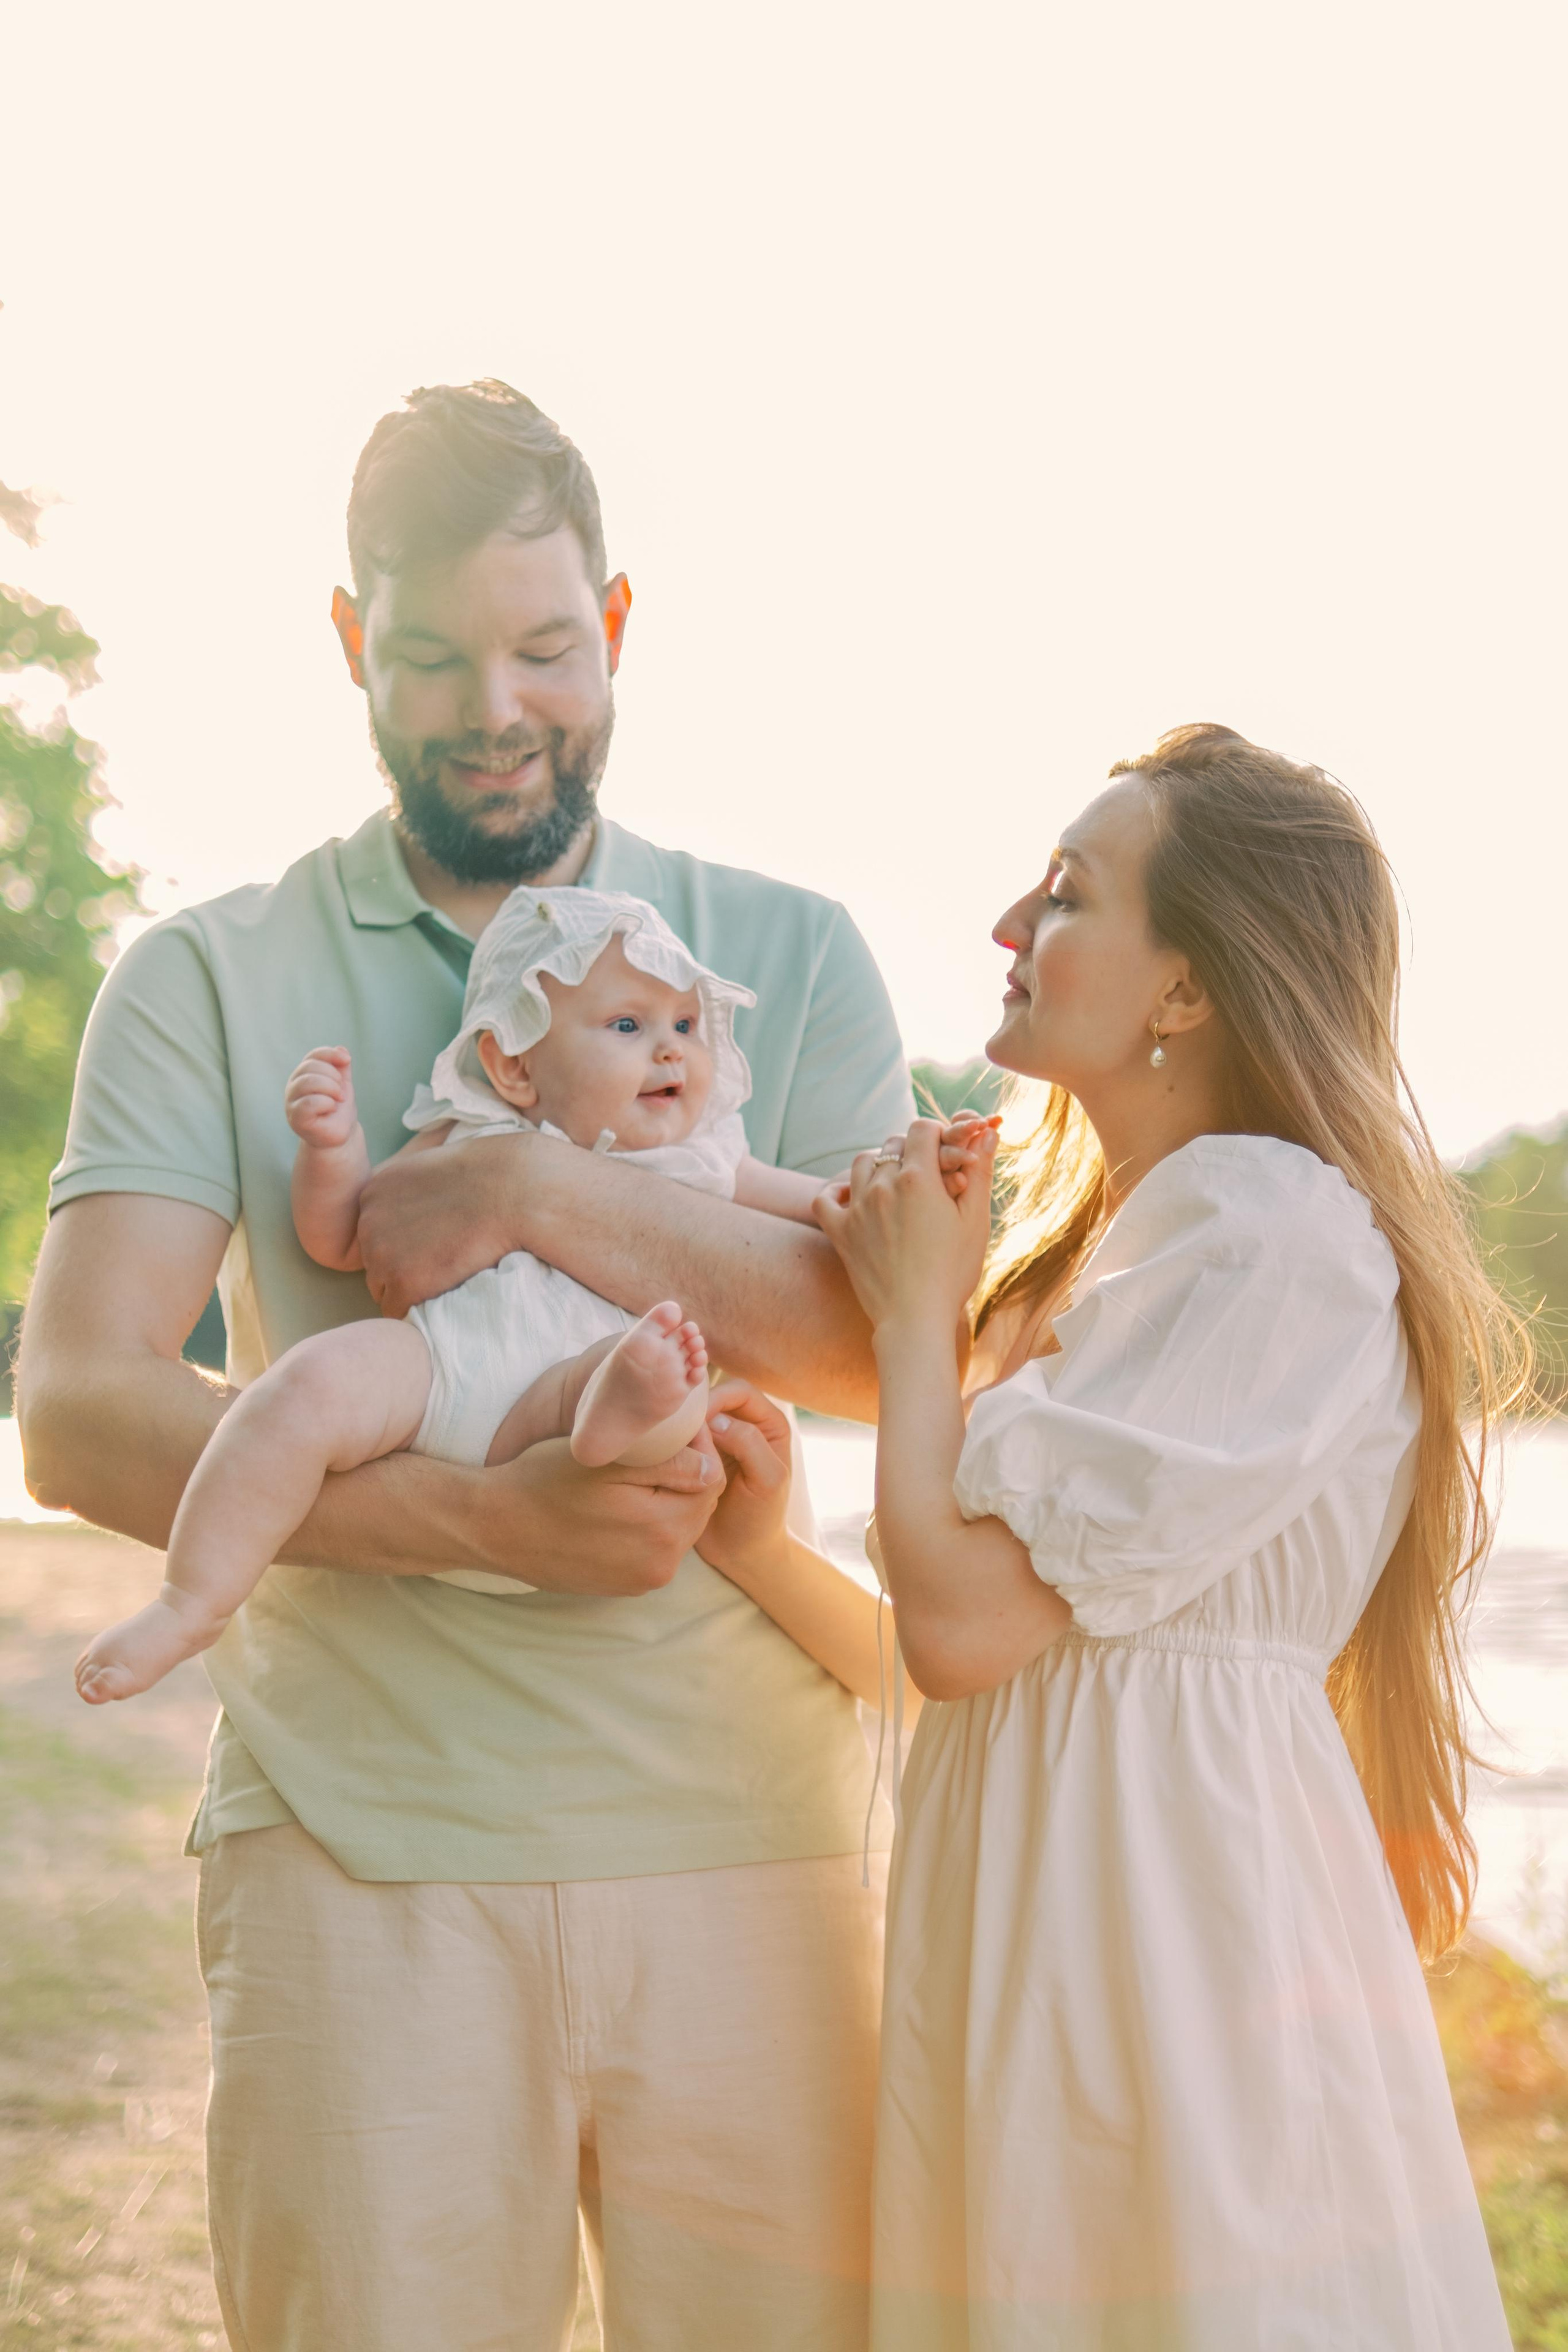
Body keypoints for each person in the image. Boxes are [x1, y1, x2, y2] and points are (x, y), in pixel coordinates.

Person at [18, 380, 917, 2351]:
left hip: (755, 1861)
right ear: (352, 642)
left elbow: (882, 1347)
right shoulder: (211, 972)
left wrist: (525, 1181)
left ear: (618, 624)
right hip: (359, 1865)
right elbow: (82, 1405)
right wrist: (481, 1519)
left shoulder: (783, 949)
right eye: (429, 654)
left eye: (543, 649)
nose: (494, 706)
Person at [805, 726, 1515, 2346]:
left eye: (1065, 894)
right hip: (1069, 1907)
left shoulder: (1269, 1227)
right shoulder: (1136, 1243)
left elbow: (965, 1628)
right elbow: (964, 1669)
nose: (1006, 923)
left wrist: (919, 1318)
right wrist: (739, 1530)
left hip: (1164, 1941)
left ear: (1186, 992)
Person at [75, 886, 991, 1700]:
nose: (671, 1050)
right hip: (443, 1370)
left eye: (684, 1024)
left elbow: (836, 1214)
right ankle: (191, 1601)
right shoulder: (468, 1128)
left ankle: (617, 1413)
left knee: (675, 1376)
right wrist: (331, 1151)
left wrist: (920, 1171)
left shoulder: (710, 1156)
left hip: (580, 1400)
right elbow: (345, 1236)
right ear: (514, 1066)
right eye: (629, 1027)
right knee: (299, 1390)